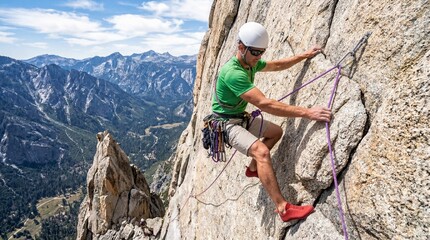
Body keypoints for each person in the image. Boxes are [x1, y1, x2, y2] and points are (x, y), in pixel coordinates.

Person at [211, 22, 331, 222]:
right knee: (262, 152)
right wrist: (308, 112)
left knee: (276, 132)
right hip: (226, 124)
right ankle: (284, 209)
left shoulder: (249, 62)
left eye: (261, 52)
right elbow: (265, 104)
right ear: (241, 47)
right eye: (256, 52)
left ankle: (252, 169)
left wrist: (304, 55)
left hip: (239, 117)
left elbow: (276, 65)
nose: (259, 57)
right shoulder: (233, 73)